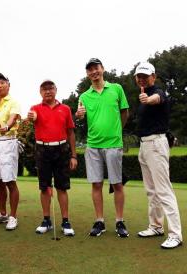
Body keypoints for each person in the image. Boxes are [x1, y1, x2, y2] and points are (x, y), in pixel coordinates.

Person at [75, 58, 130, 238]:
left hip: (114, 143)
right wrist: (79, 115)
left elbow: (125, 112)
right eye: (90, 70)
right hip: (93, 145)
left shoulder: (116, 89)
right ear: (87, 74)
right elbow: (80, 116)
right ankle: (99, 221)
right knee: (96, 184)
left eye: (96, 68)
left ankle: (119, 221)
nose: (93, 72)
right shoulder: (84, 96)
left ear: (102, 69)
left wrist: (117, 132)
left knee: (117, 184)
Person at [134, 62, 183, 249]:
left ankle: (176, 234)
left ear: (153, 76)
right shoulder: (142, 96)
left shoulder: (158, 93)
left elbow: (158, 98)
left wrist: (148, 99)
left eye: (145, 76)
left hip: (156, 144)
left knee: (163, 190)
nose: (142, 79)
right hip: (145, 146)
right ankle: (155, 226)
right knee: (151, 190)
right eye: (139, 76)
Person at [28, 80, 78, 235]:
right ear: (40, 92)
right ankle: (46, 220)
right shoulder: (35, 109)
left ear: (56, 90)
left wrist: (74, 155)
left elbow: (70, 132)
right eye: (44, 89)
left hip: (62, 149)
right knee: (44, 187)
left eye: (50, 88)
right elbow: (32, 117)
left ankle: (65, 221)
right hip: (42, 149)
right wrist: (32, 117)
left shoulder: (65, 109)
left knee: (62, 187)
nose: (48, 91)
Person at [0, 72, 21, 231]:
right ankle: (2, 213)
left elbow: (13, 117)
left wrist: (7, 126)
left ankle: (13, 217)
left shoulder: (13, 102)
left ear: (8, 84)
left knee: (10, 181)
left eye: (2, 82)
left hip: (8, 142)